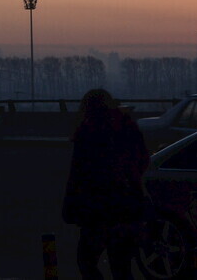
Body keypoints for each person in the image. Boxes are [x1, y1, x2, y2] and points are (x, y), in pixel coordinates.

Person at [63, 88, 149, 280]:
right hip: (127, 206)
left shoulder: (88, 131)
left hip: (98, 210)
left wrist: (72, 206)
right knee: (122, 266)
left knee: (86, 262)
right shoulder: (127, 126)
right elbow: (143, 159)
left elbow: (79, 174)